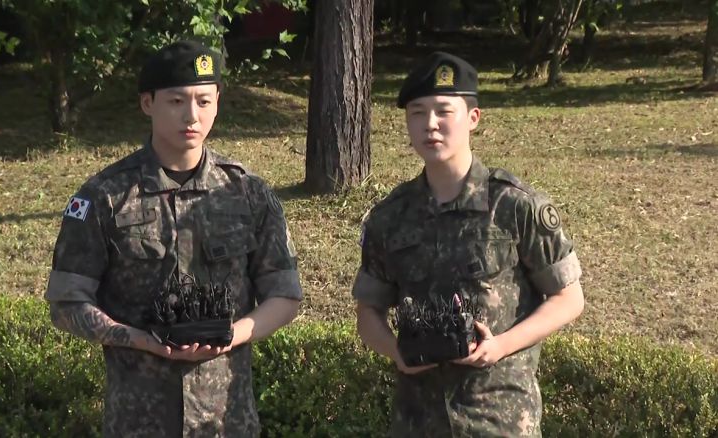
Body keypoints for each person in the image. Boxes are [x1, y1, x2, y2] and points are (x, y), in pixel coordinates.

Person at [45, 40, 302, 437]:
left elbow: (284, 295)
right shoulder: (105, 196)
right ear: (147, 103)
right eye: (177, 101)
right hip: (138, 421)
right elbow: (66, 304)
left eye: (203, 101)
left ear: (218, 101)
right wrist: (140, 340)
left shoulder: (247, 193)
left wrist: (232, 335)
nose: (191, 115)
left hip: (226, 421)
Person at [352, 52, 585, 437]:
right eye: (417, 113)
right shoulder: (390, 217)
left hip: (499, 419)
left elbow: (568, 298)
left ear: (473, 118)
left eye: (444, 111)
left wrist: (501, 346)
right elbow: (368, 313)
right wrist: (397, 353)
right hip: (417, 423)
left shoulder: (515, 207)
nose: (430, 124)